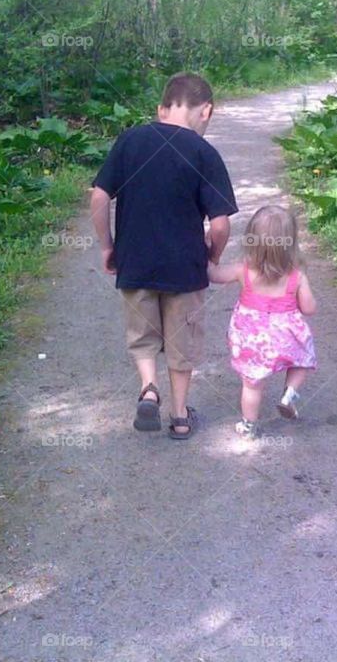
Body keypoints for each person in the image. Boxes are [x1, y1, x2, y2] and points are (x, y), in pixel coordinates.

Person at [91, 72, 237, 439]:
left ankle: (148, 388)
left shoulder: (130, 140)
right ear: (206, 111)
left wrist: (108, 246)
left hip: (134, 261)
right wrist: (213, 257)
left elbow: (98, 197)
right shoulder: (205, 153)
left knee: (142, 336)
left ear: (160, 109)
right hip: (185, 270)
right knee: (181, 343)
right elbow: (220, 226)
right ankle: (180, 416)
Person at [208, 205, 316, 437]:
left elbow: (213, 275)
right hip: (285, 335)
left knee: (252, 383)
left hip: (252, 338)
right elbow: (309, 308)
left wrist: (207, 255)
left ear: (251, 241)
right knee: (302, 360)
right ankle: (289, 394)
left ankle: (249, 425)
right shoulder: (296, 276)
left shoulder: (243, 270)